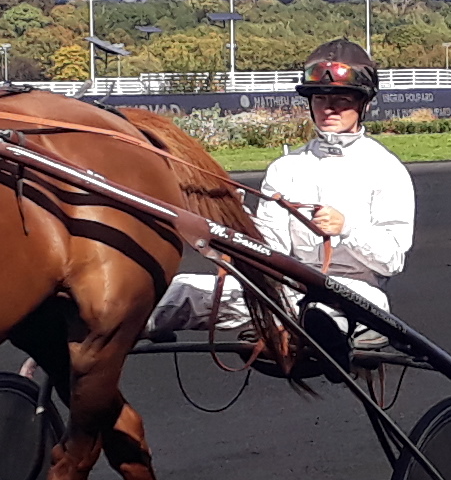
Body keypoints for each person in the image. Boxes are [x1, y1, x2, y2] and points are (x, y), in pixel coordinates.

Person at [151, 38, 415, 340]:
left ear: (362, 103)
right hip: (286, 287)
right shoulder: (285, 168)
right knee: (181, 289)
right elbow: (270, 249)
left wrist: (347, 228)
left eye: (341, 99)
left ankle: (299, 330)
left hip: (356, 292)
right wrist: (232, 225)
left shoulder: (386, 169)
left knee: (321, 309)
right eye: (319, 98)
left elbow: (392, 260)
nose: (329, 108)